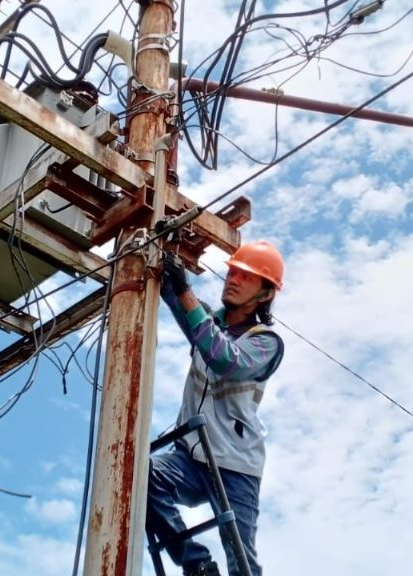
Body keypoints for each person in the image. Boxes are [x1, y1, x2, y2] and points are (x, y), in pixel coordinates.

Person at [147, 240, 287, 576]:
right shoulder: (206, 322)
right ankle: (196, 565)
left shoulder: (265, 342)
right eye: (233, 273)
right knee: (141, 476)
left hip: (236, 466)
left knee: (241, 559)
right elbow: (171, 291)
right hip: (192, 459)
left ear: (265, 294)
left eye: (246, 277)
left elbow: (225, 358)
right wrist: (163, 245)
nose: (233, 280)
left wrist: (186, 292)